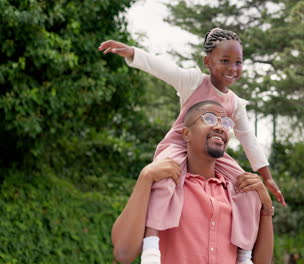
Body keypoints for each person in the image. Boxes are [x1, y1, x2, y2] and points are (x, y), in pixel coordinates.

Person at [99, 28, 284, 263]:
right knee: (165, 179)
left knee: (246, 188)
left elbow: (248, 138)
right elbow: (164, 68)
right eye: (225, 60)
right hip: (177, 145)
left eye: (238, 62)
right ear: (207, 61)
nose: (232, 68)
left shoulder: (235, 103)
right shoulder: (194, 82)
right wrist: (133, 53)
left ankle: (244, 255)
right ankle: (152, 246)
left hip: (218, 156)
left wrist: (266, 178)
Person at [111, 101, 274, 264]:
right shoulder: (165, 188)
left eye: (225, 122)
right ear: (186, 134)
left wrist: (266, 210)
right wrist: (145, 178)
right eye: (209, 119)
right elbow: (123, 254)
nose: (220, 127)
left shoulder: (238, 193)